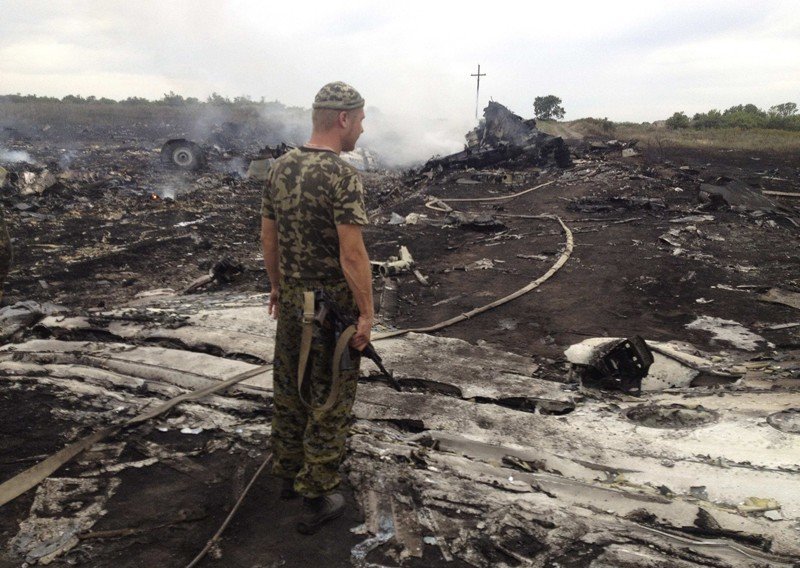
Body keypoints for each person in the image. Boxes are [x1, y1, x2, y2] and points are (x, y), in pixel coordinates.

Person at [260, 81, 373, 535]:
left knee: (289, 386)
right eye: (361, 120)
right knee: (330, 396)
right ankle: (319, 487)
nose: (362, 130)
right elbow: (352, 255)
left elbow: (268, 238)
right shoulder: (343, 176)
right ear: (343, 119)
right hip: (331, 309)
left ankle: (288, 472)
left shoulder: (279, 168)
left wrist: (276, 287)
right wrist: (366, 313)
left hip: (290, 301)